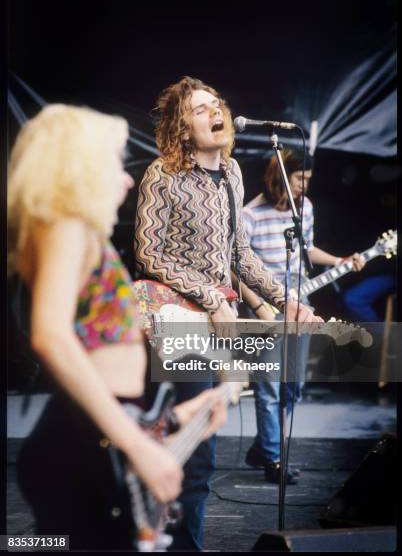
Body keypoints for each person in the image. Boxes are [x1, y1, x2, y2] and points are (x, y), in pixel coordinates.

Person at [8, 104, 226, 550]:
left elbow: (109, 386)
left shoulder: (77, 233)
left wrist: (177, 416)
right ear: (79, 169)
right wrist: (140, 446)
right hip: (83, 444)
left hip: (98, 434)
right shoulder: (67, 224)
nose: (126, 180)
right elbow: (50, 335)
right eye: (114, 162)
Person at [134, 77, 323, 549]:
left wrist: (287, 299)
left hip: (215, 320)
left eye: (215, 104)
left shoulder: (233, 173)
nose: (213, 111)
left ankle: (183, 545)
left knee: (203, 454)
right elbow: (149, 253)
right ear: (182, 126)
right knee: (187, 445)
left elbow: (240, 253)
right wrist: (211, 296)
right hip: (176, 317)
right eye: (199, 109)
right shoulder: (163, 174)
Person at [240, 147, 366, 484]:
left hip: (300, 304)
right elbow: (237, 269)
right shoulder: (249, 215)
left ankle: (263, 448)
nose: (304, 186)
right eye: (299, 179)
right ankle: (272, 459)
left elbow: (307, 249)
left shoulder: (304, 209)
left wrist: (339, 261)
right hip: (266, 308)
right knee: (268, 387)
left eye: (308, 180)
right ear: (280, 176)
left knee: (293, 387)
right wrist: (261, 306)